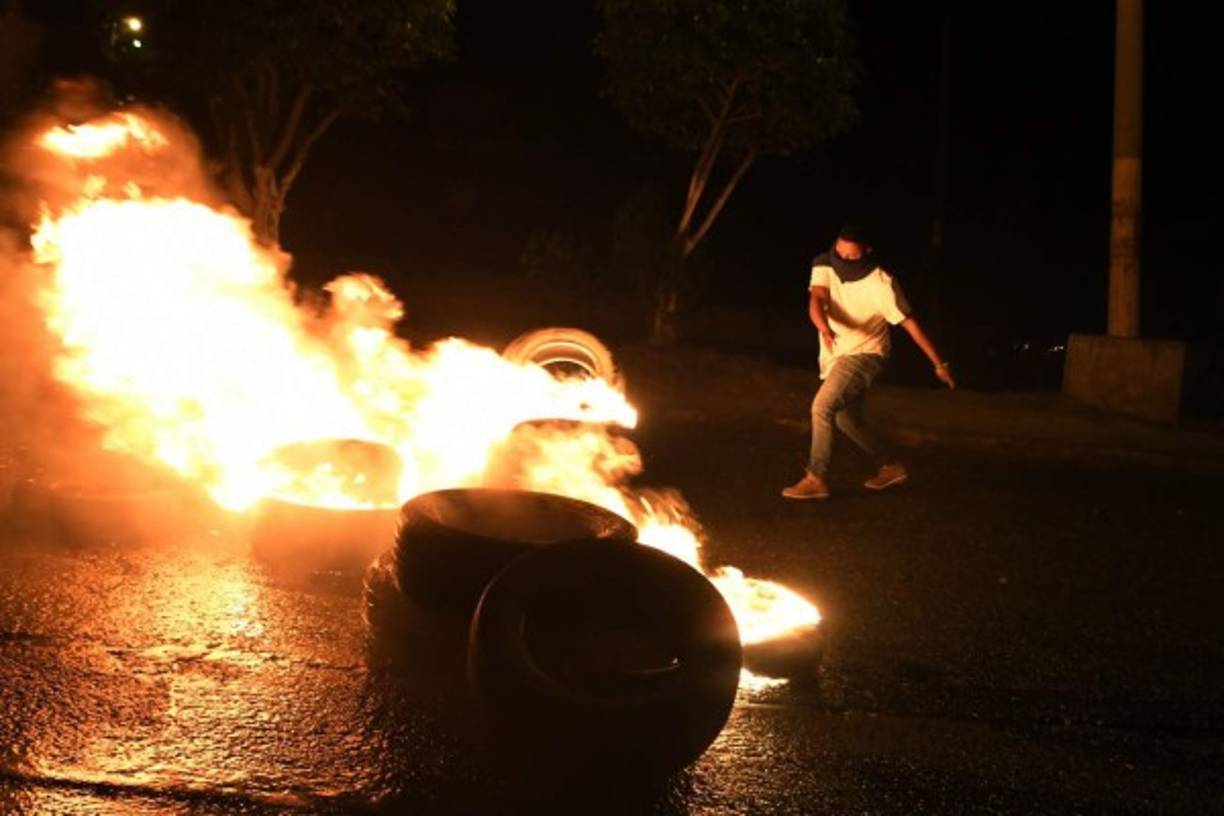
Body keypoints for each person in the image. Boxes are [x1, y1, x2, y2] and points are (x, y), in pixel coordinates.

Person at [782, 224, 955, 500]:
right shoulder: (824, 263)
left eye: (852, 256)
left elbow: (911, 325)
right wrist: (823, 327)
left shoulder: (881, 284)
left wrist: (938, 364)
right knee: (846, 419)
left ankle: (816, 477)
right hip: (839, 354)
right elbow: (817, 298)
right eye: (840, 253)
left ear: (867, 252)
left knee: (822, 407)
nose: (844, 260)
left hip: (867, 354)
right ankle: (890, 465)